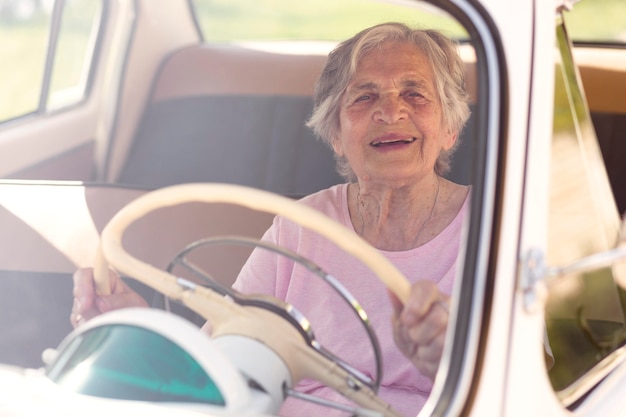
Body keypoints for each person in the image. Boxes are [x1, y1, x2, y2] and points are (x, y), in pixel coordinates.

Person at [71, 22, 471, 417]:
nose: (390, 111)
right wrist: (140, 331)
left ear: (450, 127)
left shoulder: (493, 230)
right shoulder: (300, 225)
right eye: (364, 97)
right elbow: (225, 360)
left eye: (414, 93)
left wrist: (449, 362)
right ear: (336, 133)